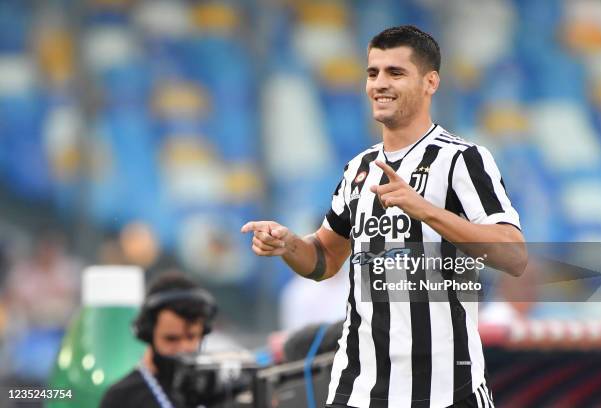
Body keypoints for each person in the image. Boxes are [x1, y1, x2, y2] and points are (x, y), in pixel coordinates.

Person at [241, 25, 527, 408]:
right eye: (372, 73)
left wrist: (423, 208)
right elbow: (325, 260)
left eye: (395, 72)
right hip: (358, 388)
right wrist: (288, 243)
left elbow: (514, 254)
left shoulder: (461, 159)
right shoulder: (358, 168)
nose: (379, 83)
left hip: (446, 390)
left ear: (430, 82)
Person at [100, 271, 217, 408]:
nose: (183, 347)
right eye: (171, 339)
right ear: (148, 334)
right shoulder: (121, 398)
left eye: (191, 337)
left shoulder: (218, 392)